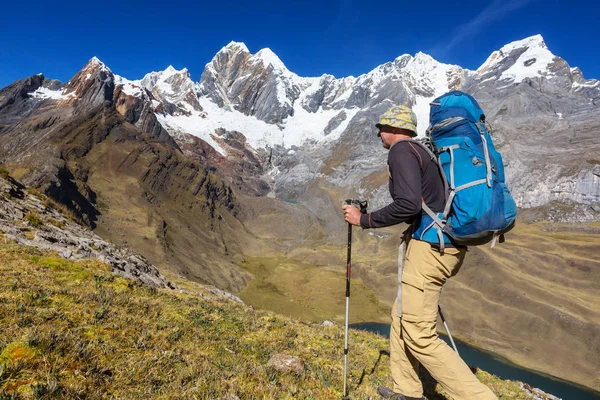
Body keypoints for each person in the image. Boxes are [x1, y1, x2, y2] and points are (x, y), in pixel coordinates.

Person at [342, 105, 497, 400]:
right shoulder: (423, 150)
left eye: (382, 127)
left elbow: (408, 205)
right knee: (401, 317)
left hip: (430, 251)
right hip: (438, 245)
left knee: (419, 334)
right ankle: (408, 390)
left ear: (395, 129)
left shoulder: (400, 151)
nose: (379, 133)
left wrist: (363, 219)